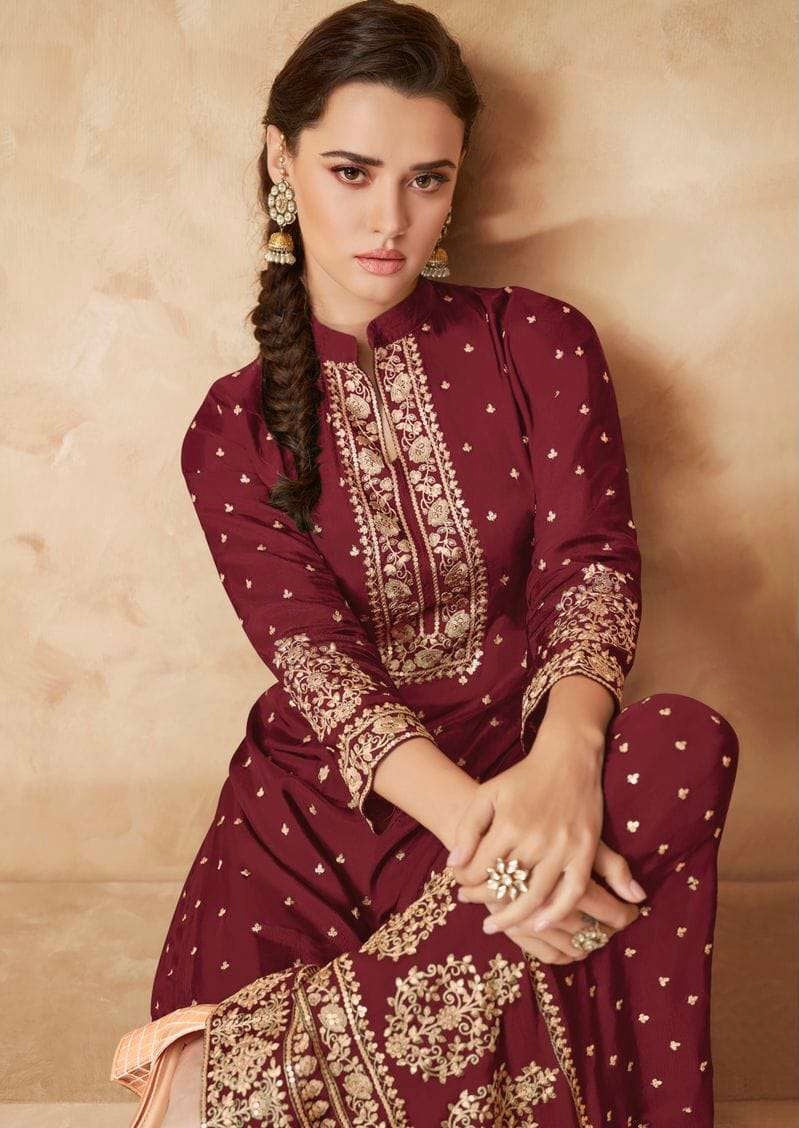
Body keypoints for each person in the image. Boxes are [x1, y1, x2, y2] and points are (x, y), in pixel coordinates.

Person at [109, 2, 740, 1125]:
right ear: (281, 161)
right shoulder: (234, 429)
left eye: (427, 180)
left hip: (525, 762)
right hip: (322, 818)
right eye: (351, 172)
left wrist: (565, 762)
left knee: (680, 744)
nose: (389, 220)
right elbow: (319, 671)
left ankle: (242, 1077)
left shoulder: (538, 340)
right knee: (552, 898)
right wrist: (500, 867)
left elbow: (591, 567)